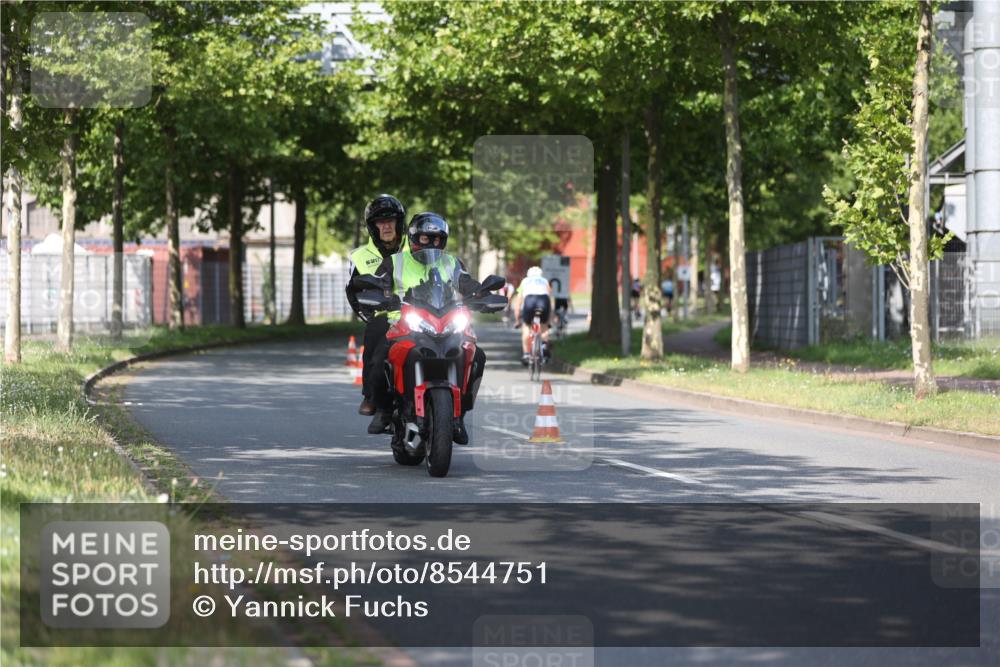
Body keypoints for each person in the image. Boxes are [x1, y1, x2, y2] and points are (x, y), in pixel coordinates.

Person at [361, 212, 488, 444]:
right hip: (403, 321)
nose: (432, 244)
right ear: (413, 239)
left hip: (446, 320)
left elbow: (468, 284)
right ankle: (384, 410)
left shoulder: (452, 263)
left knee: (477, 355)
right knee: (380, 357)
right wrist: (379, 295)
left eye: (437, 239)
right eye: (425, 239)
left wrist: (482, 294)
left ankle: (459, 416)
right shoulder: (394, 262)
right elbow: (378, 284)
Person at [345, 194, 408, 432]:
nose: (387, 225)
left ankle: (454, 412)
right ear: (372, 227)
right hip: (384, 317)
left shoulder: (415, 250)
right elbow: (353, 292)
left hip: (418, 315)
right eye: (380, 222)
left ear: (399, 222)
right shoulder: (359, 256)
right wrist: (370, 313)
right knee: (377, 343)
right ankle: (377, 401)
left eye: (391, 220)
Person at [515, 266, 553, 365]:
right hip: (543, 300)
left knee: (526, 327)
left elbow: (518, 300)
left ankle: (526, 354)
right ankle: (544, 346)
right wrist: (549, 320)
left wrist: (517, 320)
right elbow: (549, 297)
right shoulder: (545, 281)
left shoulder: (524, 281)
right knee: (544, 327)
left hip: (529, 300)